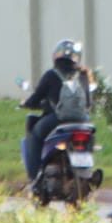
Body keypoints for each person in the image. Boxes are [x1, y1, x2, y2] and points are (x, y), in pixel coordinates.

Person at [20, 39, 92, 184]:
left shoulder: (51, 75)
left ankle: (34, 178)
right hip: (82, 121)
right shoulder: (83, 75)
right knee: (88, 138)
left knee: (34, 136)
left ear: (56, 55)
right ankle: (88, 170)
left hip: (58, 119)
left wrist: (25, 103)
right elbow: (88, 102)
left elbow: (36, 97)